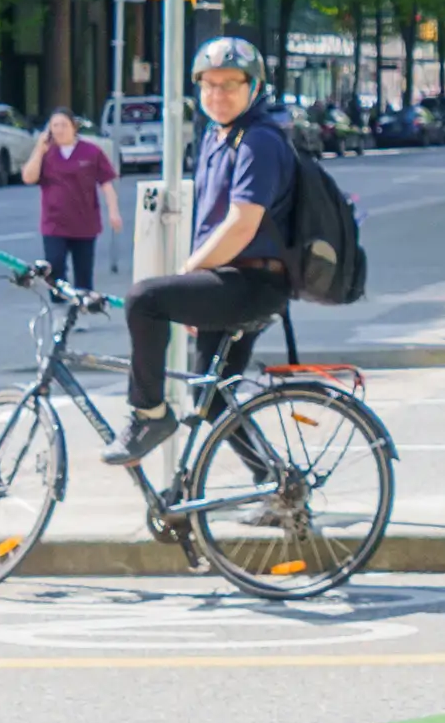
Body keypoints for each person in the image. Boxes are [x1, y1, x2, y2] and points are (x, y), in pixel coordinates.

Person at [107, 35, 300, 463]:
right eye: (209, 85)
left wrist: (190, 274)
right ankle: (277, 487)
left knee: (143, 300)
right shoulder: (218, 136)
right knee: (212, 400)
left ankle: (149, 415)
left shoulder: (258, 140)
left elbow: (240, 224)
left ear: (254, 87)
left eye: (230, 84)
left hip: (252, 282)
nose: (218, 94)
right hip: (233, 280)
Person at [17, 107, 118, 291]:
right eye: (55, 125)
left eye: (64, 125)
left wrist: (113, 212)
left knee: (84, 275)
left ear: (74, 127)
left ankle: (81, 311)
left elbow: (106, 184)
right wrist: (39, 149)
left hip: (84, 223)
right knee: (54, 269)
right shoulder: (46, 153)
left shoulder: (91, 152)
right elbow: (28, 177)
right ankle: (59, 309)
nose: (59, 130)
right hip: (54, 223)